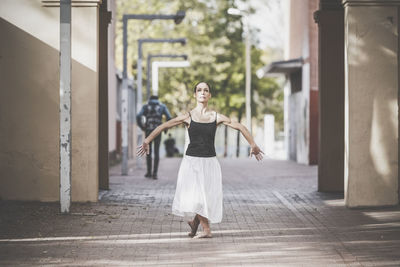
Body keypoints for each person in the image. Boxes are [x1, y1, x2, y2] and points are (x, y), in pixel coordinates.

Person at [137, 82, 263, 238]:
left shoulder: (216, 117)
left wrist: (253, 144)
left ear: (209, 95)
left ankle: (195, 223)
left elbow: (240, 127)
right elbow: (164, 126)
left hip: (210, 162)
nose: (202, 92)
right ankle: (207, 230)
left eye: (206, 90)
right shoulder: (188, 117)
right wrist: (147, 140)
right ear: (195, 95)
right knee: (198, 196)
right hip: (192, 162)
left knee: (207, 197)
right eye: (199, 90)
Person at [136, 95, 171, 179]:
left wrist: (142, 127)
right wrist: (165, 128)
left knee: (148, 152)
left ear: (150, 99)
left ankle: (149, 172)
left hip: (148, 131)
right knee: (156, 152)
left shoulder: (146, 106)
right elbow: (169, 117)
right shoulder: (162, 106)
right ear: (157, 99)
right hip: (158, 131)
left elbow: (138, 116)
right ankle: (155, 174)